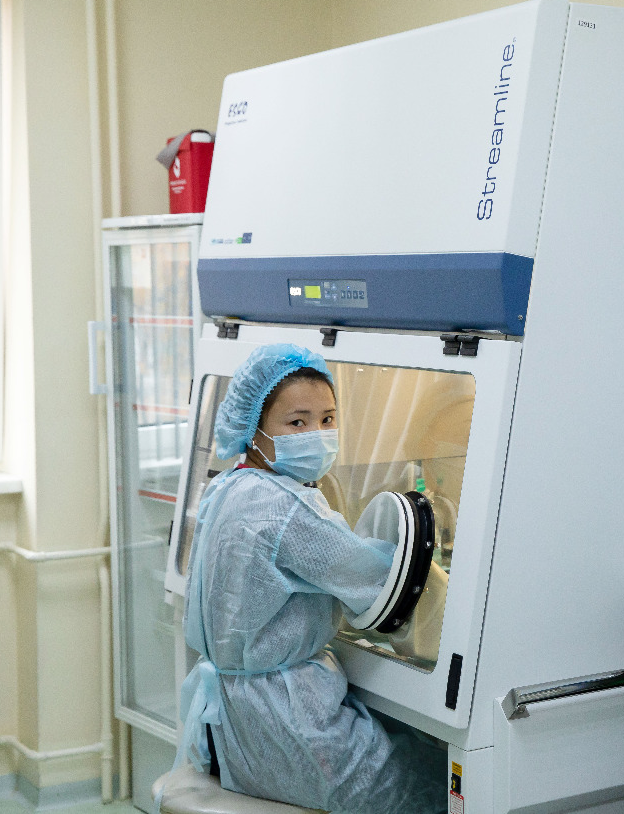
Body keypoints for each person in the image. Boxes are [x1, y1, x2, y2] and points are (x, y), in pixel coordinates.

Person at [172, 342, 446, 813]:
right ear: (254, 427)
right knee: (439, 785)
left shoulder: (228, 487)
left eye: (327, 418)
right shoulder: (285, 507)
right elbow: (380, 579)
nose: (316, 434)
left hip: (234, 725)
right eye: (297, 423)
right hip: (288, 724)